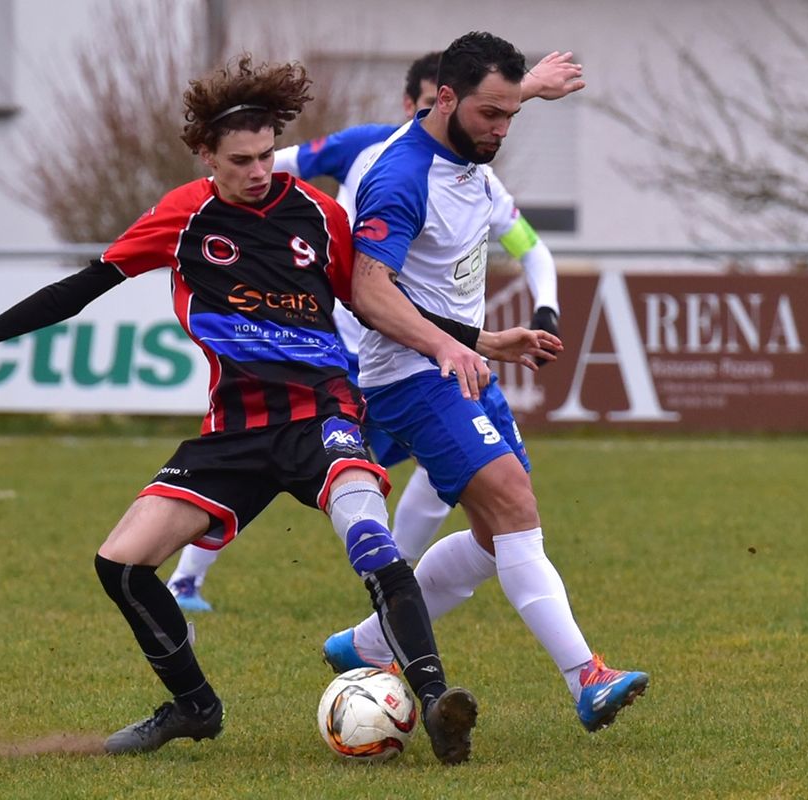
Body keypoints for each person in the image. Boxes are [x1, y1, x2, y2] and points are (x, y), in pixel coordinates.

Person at [0, 55, 561, 764]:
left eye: (267, 154)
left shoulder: (318, 214)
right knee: (120, 562)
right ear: (205, 156)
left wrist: (478, 338)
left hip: (321, 413)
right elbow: (81, 288)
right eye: (240, 159)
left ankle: (433, 702)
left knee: (370, 538)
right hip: (236, 429)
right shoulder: (183, 217)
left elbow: (374, 298)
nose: (259, 170)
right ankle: (194, 708)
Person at [166, 48, 574, 612]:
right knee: (276, 459)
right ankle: (187, 576)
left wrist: (528, 86)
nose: (447, 114)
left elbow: (530, 243)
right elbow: (267, 163)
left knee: (449, 473)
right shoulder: (368, 146)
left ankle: (392, 590)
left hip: (433, 350)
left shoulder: (471, 168)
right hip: (353, 348)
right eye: (431, 103)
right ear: (416, 104)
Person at [325, 31, 650, 735]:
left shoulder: (468, 136)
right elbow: (367, 291)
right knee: (510, 503)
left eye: (511, 114)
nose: (500, 130)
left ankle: (366, 644)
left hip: (457, 364)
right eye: (490, 116)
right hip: (410, 375)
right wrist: (452, 344)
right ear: (444, 101)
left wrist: (530, 86)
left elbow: (490, 98)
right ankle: (586, 677)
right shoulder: (399, 178)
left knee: (494, 532)